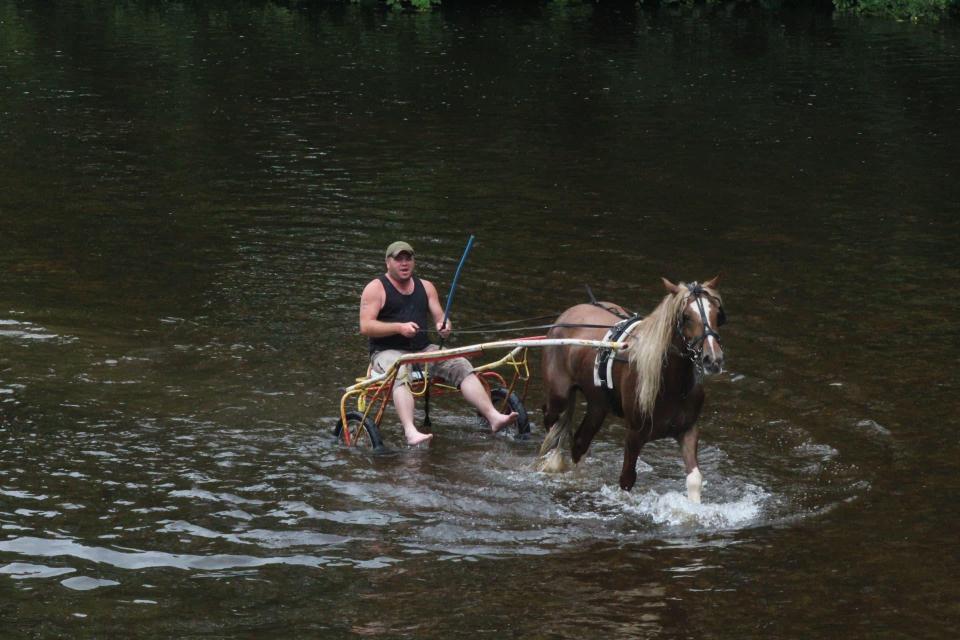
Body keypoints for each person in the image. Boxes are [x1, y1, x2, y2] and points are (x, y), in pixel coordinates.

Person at [359, 240, 518, 446]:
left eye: (408, 259)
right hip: (386, 351)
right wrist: (399, 328)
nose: (404, 263)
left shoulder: (426, 287)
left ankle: (493, 416)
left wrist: (444, 325)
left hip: (423, 349)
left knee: (460, 364)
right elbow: (366, 326)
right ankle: (410, 431)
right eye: (399, 259)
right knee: (400, 371)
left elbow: (441, 317)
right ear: (388, 263)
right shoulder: (375, 288)